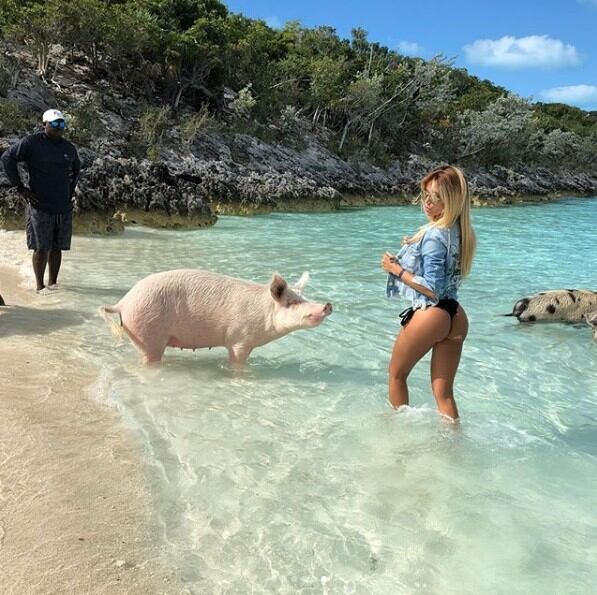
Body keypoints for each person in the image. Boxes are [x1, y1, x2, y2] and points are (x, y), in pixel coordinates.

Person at [381, 165, 476, 420]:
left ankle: (396, 440)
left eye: (436, 198)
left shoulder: (434, 235)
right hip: (455, 315)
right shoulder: (459, 231)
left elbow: (432, 289)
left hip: (432, 314)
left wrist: (396, 269)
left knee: (396, 376)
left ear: (451, 201)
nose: (428, 202)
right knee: (444, 394)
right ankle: (453, 449)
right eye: (426, 195)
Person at [1, 109, 81, 293]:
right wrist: (20, 188)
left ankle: (53, 284)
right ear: (44, 124)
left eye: (62, 123)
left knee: (57, 247)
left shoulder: (68, 148)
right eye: (54, 123)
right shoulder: (31, 142)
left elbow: (76, 169)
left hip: (63, 206)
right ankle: (39, 287)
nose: (59, 127)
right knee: (41, 247)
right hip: (39, 205)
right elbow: (7, 158)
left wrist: (70, 192)